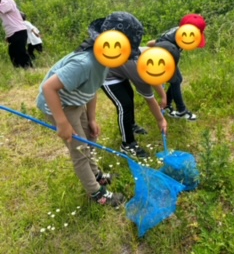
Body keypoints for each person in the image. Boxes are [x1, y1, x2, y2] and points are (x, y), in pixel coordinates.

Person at [36, 11, 145, 207]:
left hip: (77, 100)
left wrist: (92, 118)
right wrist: (62, 122)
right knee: (79, 149)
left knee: (90, 137)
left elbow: (92, 89)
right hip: (60, 105)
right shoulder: (84, 63)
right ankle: (96, 193)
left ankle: (96, 174)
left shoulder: (105, 62)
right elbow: (49, 88)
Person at [101, 41, 179, 158]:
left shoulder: (149, 55)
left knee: (129, 96)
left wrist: (163, 96)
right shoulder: (139, 68)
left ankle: (130, 125)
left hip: (120, 70)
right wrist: (160, 120)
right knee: (124, 105)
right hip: (106, 74)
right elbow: (150, 99)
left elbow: (153, 77)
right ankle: (127, 144)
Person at [147, 13, 207, 120]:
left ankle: (167, 105)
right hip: (165, 55)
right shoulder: (174, 43)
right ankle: (182, 111)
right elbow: (159, 44)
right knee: (175, 81)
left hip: (163, 53)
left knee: (178, 79)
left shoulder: (177, 31)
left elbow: (154, 42)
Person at [0, 0, 32, 68]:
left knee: (21, 52)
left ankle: (29, 69)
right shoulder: (3, 2)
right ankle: (20, 71)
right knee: (13, 53)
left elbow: (3, 9)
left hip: (18, 30)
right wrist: (8, 36)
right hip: (13, 33)